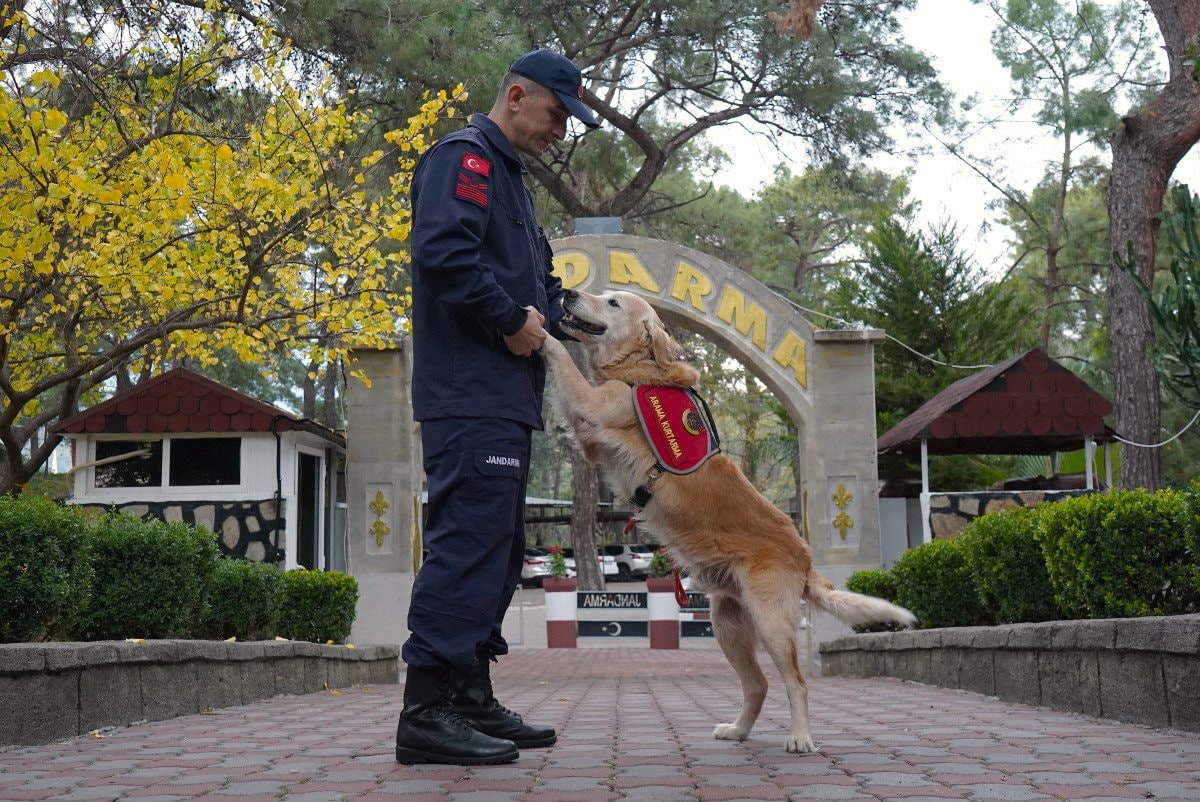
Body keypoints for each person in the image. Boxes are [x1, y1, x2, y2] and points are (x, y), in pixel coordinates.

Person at [396, 50, 600, 766]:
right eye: (556, 114)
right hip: (468, 393)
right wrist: (510, 319)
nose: (561, 131)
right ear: (516, 96)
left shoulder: (511, 180)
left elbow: (537, 287)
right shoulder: (464, 160)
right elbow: (443, 255)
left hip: (505, 398)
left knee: (499, 550)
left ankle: (468, 695)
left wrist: (595, 325)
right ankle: (425, 712)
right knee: (465, 547)